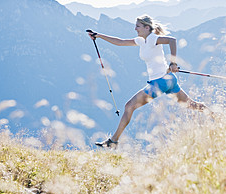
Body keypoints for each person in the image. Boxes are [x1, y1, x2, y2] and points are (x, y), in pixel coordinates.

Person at [88, 15, 209, 148]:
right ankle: (216, 114)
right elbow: (121, 41)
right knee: (191, 105)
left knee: (129, 106)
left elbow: (172, 40)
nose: (135, 29)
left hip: (160, 82)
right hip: (168, 80)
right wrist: (99, 36)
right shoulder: (142, 40)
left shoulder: (152, 38)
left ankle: (113, 141)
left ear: (147, 27)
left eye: (138, 26)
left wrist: (173, 62)